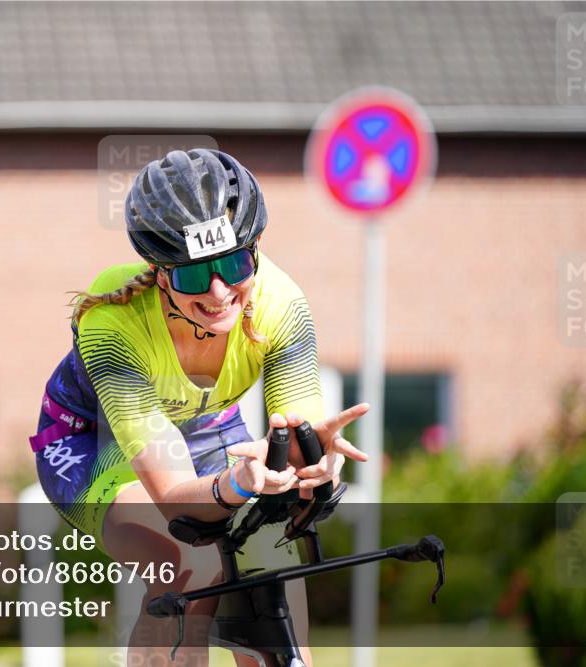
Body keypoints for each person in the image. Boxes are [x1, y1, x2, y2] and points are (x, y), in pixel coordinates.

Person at [30, 148, 369, 666]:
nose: (218, 292)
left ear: (254, 251)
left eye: (234, 265)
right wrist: (237, 484)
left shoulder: (283, 305)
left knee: (270, 556)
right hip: (92, 443)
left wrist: (313, 462)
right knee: (186, 558)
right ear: (160, 273)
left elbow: (298, 432)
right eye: (192, 276)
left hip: (209, 428)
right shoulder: (113, 322)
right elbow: (172, 499)